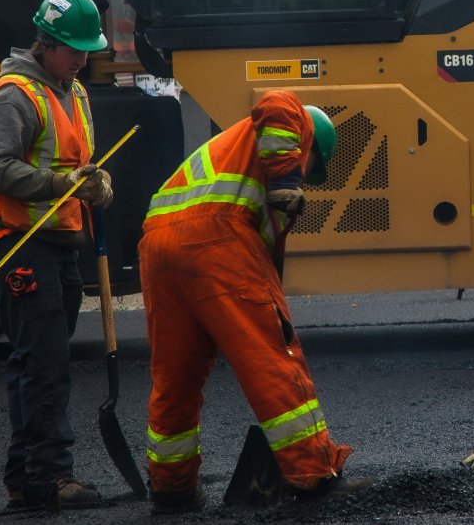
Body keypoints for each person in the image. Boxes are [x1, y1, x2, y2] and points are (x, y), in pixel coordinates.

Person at [139, 89, 364, 513]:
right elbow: (277, 99)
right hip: (216, 239)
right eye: (312, 164)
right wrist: (286, 178)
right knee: (272, 358)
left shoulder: (230, 158)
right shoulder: (291, 121)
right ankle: (313, 474)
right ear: (308, 143)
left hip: (158, 243)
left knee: (176, 375)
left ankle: (172, 488)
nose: (307, 172)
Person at [0, 0, 115, 510]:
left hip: (53, 239)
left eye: (85, 49)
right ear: (45, 43)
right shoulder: (13, 96)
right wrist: (63, 186)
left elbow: (73, 162)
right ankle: (50, 477)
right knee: (44, 362)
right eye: (74, 48)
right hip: (14, 241)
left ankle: (26, 478)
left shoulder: (71, 90)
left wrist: (94, 182)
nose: (82, 58)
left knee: (40, 360)